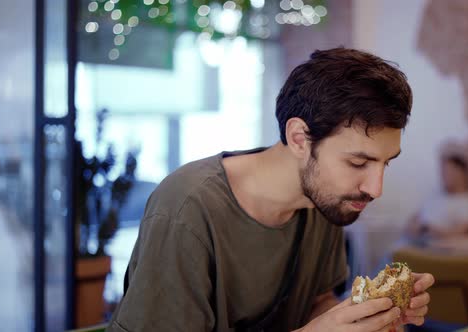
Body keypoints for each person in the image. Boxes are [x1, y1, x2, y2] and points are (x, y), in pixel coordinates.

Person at [107, 47, 434, 332]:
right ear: (298, 138)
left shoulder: (326, 201)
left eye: (385, 163)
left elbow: (316, 303)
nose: (375, 189)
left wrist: (371, 317)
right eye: (358, 163)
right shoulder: (187, 208)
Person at [406, 153, 468, 240]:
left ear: (462, 174)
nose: (443, 175)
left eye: (448, 171)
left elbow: (462, 233)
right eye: (442, 171)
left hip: (439, 251)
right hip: (412, 244)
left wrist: (427, 229)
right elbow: (413, 220)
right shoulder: (434, 196)